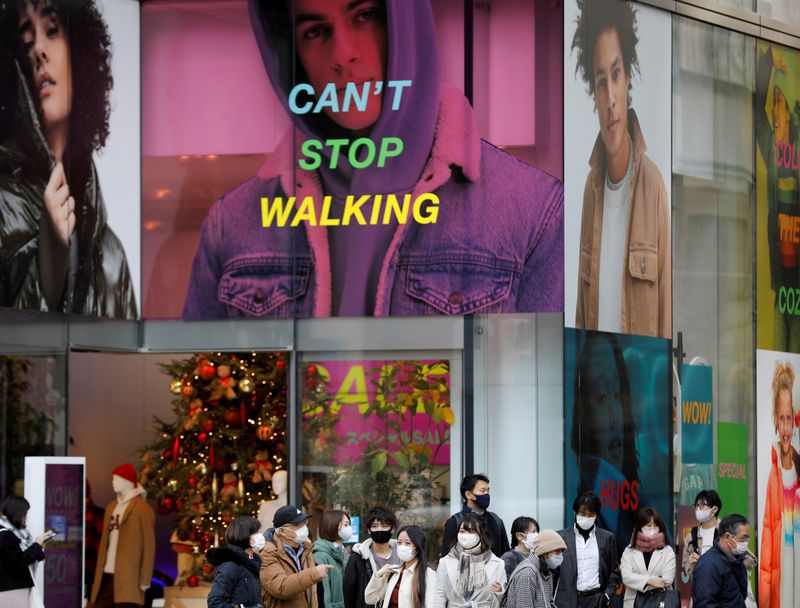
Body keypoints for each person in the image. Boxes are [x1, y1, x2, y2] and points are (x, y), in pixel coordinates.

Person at [183, 0, 564, 319]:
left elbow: (550, 394)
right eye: (315, 31)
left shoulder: (532, 213)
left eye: (366, 15)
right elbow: (197, 394)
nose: (343, 54)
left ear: (405, 20)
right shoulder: (232, 225)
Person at [0, 0, 136, 318]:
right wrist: (47, 267)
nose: (39, 52)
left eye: (52, 31)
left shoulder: (112, 253)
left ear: (80, 53)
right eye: (25, 42)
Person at [571, 0, 671, 338]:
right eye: (601, 82)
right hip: (597, 388)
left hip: (639, 387)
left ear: (628, 78)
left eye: (615, 75)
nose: (610, 97)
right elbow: (582, 316)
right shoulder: (591, 189)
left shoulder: (653, 186)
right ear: (594, 94)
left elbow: (665, 315)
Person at [571, 332, 643, 546]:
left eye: (618, 395)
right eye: (602, 397)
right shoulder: (586, 518)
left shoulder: (641, 510)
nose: (614, 418)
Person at [756, 44, 800, 352]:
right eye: (773, 105)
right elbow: (755, 103)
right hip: (781, 288)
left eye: (779, 104)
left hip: (798, 289)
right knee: (777, 365)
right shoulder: (771, 151)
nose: (774, 111)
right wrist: (768, 60)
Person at [759, 361, 800, 608]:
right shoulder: (773, 477)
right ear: (776, 418)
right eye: (781, 418)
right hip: (783, 579)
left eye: (789, 419)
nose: (785, 428)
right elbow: (766, 540)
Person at [90, 463, 156, 608]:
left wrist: (145, 578)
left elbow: (149, 546)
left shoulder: (142, 509)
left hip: (129, 575)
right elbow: (104, 543)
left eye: (116, 479)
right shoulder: (111, 507)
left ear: (127, 481)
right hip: (106, 572)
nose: (113, 482)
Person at [555, 491, 622, 608]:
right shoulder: (561, 537)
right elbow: (553, 572)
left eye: (591, 514)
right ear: (575, 512)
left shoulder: (607, 538)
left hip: (597, 600)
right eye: (582, 513)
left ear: (596, 515)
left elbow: (615, 571)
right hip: (567, 601)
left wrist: (606, 596)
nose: (586, 518)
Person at [260, 504, 334, 608]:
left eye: (304, 523)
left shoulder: (306, 549)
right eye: (297, 525)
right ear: (282, 531)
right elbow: (281, 588)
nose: (304, 528)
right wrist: (314, 573)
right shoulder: (268, 554)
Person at [435, 514, 506, 608]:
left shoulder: (498, 564)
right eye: (462, 531)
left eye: (471, 532)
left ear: (481, 535)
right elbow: (439, 597)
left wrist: (500, 592)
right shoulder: (445, 562)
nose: (465, 536)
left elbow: (502, 601)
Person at [364, 525, 435, 608]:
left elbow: (430, 604)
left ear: (418, 547)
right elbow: (370, 599)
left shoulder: (428, 575)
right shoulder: (393, 572)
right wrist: (378, 575)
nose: (402, 546)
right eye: (399, 542)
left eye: (408, 543)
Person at [440, 474, 509, 559]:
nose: (486, 494)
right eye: (482, 491)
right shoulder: (455, 522)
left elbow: (506, 554)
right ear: (469, 494)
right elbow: (446, 558)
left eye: (488, 490)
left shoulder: (496, 520)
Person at [0, 494, 52, 607]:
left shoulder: (14, 534)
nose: (26, 517)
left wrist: (38, 546)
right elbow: (21, 560)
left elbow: (21, 556)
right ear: (17, 514)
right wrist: (37, 544)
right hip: (11, 591)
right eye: (25, 514)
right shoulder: (5, 535)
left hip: (15, 589)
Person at [343, 506, 399, 608]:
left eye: (384, 526)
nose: (379, 530)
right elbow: (349, 594)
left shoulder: (402, 556)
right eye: (375, 526)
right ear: (369, 530)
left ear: (392, 529)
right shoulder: (358, 558)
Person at [620, 507, 675, 608]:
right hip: (633, 603)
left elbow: (667, 580)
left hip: (661, 602)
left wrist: (636, 579)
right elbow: (626, 576)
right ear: (640, 527)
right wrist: (650, 580)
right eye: (648, 526)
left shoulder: (667, 551)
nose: (652, 529)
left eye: (656, 526)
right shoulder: (629, 551)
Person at [691, 514, 749, 608]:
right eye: (743, 538)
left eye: (747, 538)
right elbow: (705, 604)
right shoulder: (709, 565)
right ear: (728, 537)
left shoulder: (736, 561)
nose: (746, 542)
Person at [207, 516, 265, 608]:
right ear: (244, 535)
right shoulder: (231, 565)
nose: (260, 535)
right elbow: (215, 603)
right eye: (255, 532)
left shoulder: (252, 564)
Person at [504, 529, 565, 608]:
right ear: (545, 550)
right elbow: (524, 605)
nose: (560, 556)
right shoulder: (527, 573)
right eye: (557, 551)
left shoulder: (545, 570)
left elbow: (548, 603)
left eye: (561, 552)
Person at [313, 510, 352, 608]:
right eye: (346, 525)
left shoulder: (342, 551)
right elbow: (324, 595)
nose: (349, 529)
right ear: (333, 525)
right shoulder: (320, 555)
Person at [682, 490, 721, 581]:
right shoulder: (691, 536)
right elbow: (687, 571)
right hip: (702, 588)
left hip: (724, 589)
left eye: (702, 506)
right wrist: (691, 564)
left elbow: (749, 562)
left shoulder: (727, 531)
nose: (697, 509)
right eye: (696, 506)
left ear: (714, 509)